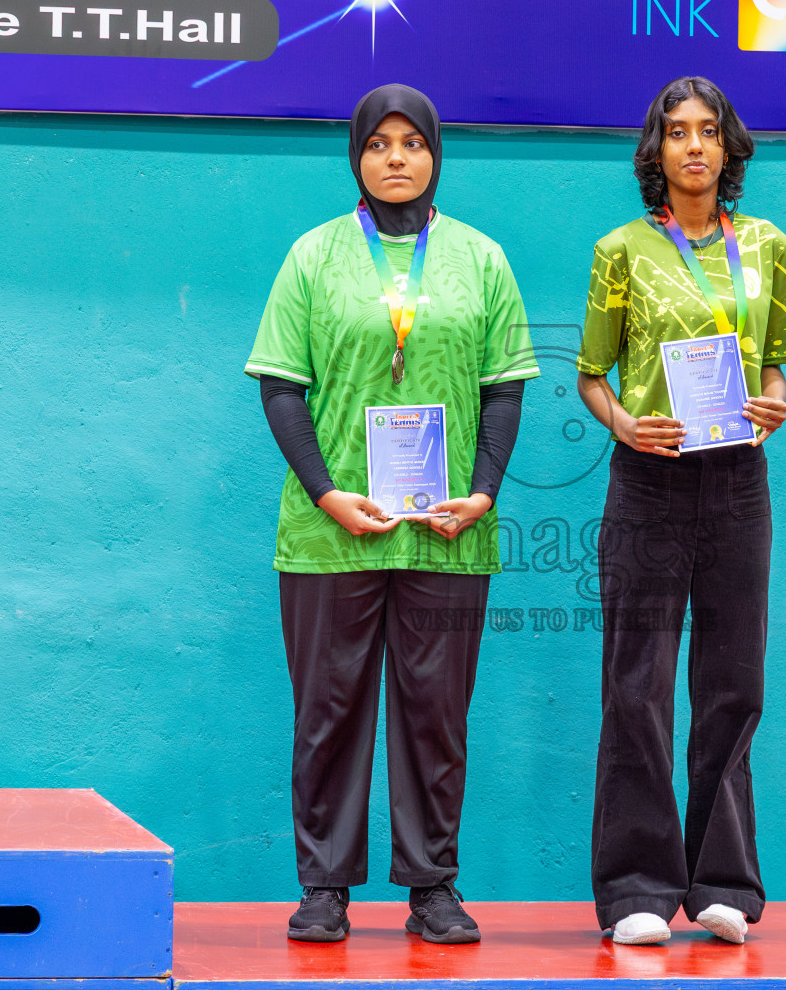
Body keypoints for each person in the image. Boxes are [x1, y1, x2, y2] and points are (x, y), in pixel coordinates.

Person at [245, 83, 540, 945]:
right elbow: (281, 388)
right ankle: (324, 886)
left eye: (413, 142)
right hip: (329, 532)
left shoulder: (481, 259)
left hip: (447, 531)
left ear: (436, 155)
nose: (397, 158)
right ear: (357, 158)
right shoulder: (314, 256)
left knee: (435, 713)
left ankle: (433, 886)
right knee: (328, 710)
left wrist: (483, 491)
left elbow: (504, 390)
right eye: (380, 144)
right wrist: (328, 494)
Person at [575, 76, 786, 946]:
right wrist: (625, 422)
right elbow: (592, 374)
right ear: (656, 151)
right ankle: (635, 887)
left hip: (739, 477)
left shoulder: (767, 244)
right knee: (637, 687)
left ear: (729, 147)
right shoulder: (621, 250)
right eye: (677, 132)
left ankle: (722, 885)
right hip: (651, 479)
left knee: (733, 683)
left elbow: (776, 362)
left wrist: (773, 402)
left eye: (709, 131)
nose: (694, 146)